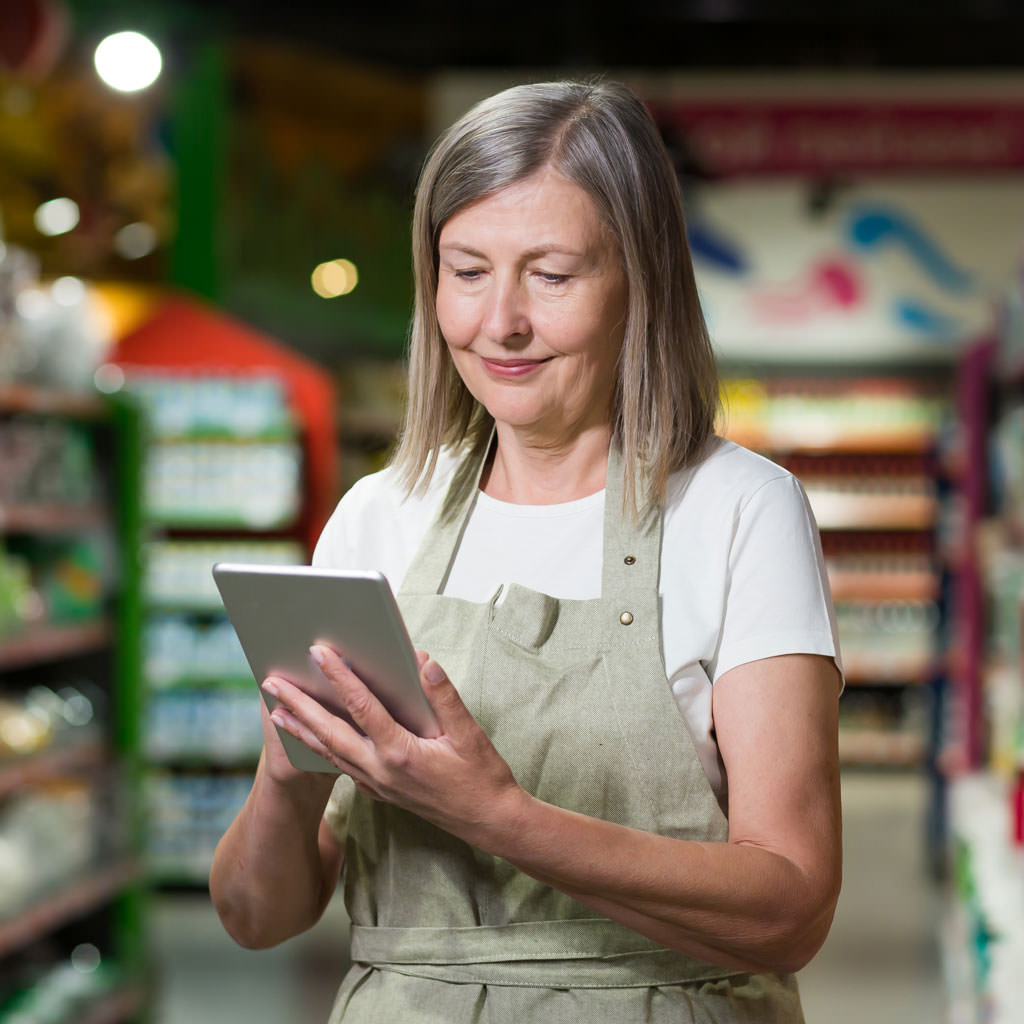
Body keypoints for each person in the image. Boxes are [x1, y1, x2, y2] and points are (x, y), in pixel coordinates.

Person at [210, 78, 843, 1023]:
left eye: (550, 275)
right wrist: (288, 766)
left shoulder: (737, 510)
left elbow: (789, 908)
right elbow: (259, 917)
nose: (499, 322)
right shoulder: (382, 515)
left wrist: (498, 816)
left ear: (643, 281)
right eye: (467, 271)